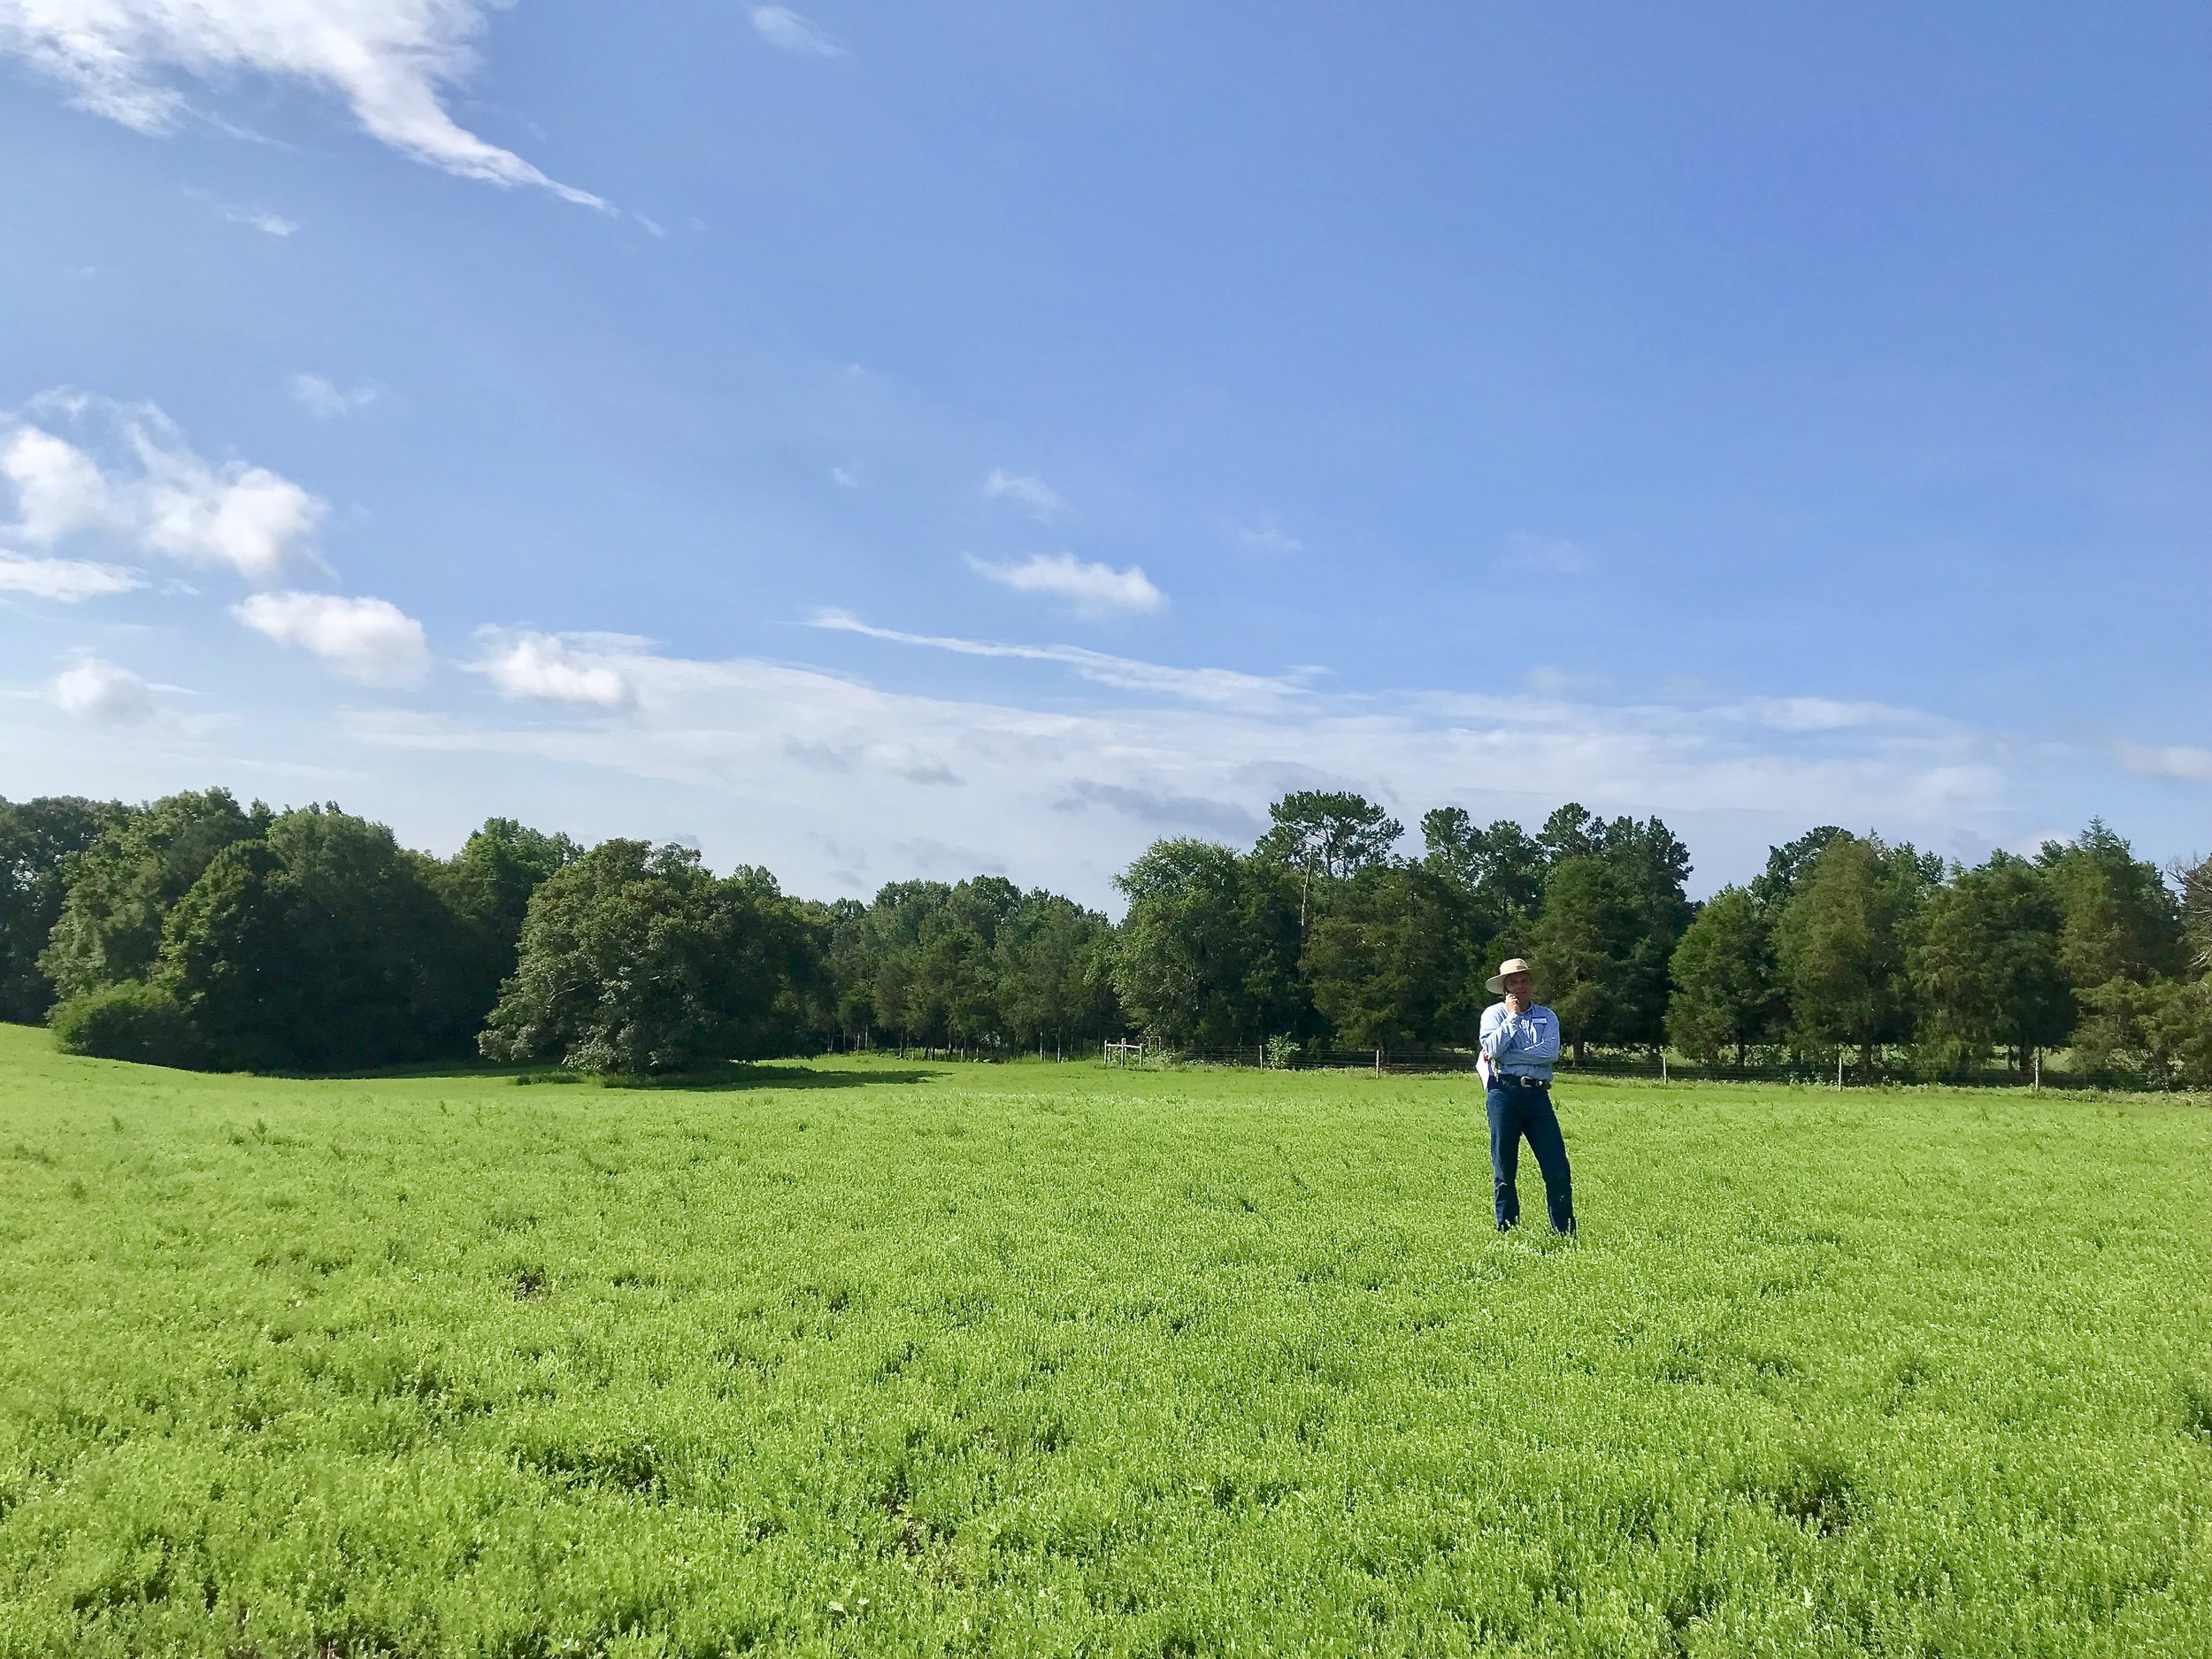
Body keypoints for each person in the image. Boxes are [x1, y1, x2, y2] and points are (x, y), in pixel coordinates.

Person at [1479, 957, 1575, 1234]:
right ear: (1504, 988)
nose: (1519, 987)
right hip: (1503, 1093)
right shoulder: (1493, 1016)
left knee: (1557, 1166)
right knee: (1504, 1168)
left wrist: (1510, 1055)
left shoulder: (1548, 1016)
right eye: (1513, 983)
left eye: (1523, 981)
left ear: (1531, 985)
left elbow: (1550, 1054)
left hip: (1538, 1096)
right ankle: (1508, 1231)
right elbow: (1494, 1050)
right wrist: (1513, 1018)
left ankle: (1564, 1232)